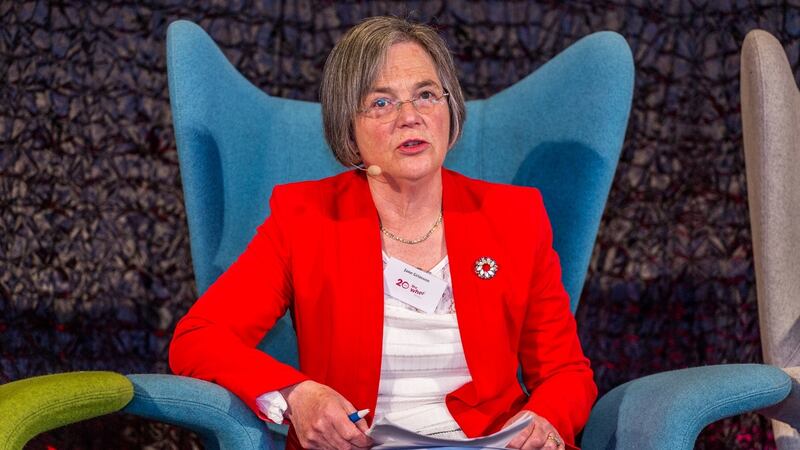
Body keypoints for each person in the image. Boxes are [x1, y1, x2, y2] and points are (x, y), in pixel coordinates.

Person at [169, 16, 596, 450]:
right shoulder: (304, 219)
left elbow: (566, 372)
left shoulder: (514, 216)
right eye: (381, 103)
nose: (410, 117)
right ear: (348, 130)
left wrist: (544, 421)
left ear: (450, 109)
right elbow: (198, 339)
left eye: (426, 95)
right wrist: (297, 394)